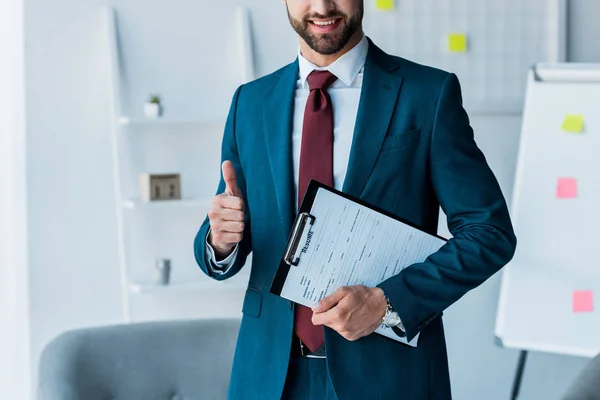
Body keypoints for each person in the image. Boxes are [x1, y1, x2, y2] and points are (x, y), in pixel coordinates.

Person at [193, 0, 517, 399]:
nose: (322, 6)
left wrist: (387, 303)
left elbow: (489, 233)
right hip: (267, 376)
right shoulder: (250, 102)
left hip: (389, 375)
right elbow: (226, 227)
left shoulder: (428, 95)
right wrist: (220, 240)